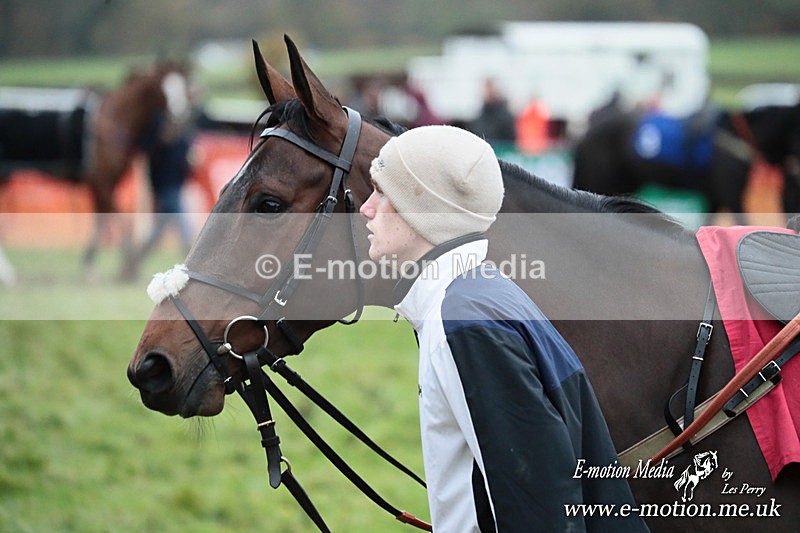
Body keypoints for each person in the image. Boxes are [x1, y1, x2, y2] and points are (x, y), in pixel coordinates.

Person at [360, 125, 647, 532]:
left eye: (382, 192)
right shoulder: (480, 293)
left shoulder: (464, 319)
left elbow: (540, 508)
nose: (365, 209)